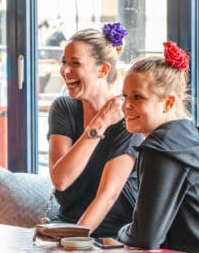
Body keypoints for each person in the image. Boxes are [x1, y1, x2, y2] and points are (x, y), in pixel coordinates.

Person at [116, 41, 199, 252]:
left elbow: (145, 237)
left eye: (137, 97)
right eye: (125, 96)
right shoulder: (193, 137)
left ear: (168, 103)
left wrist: (119, 234)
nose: (126, 105)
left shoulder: (162, 149)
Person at [48, 24, 144, 238]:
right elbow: (61, 179)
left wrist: (74, 242)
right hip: (66, 223)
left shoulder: (128, 117)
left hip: (114, 233)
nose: (65, 71)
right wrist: (99, 123)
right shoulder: (63, 108)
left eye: (75, 63)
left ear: (103, 69)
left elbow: (107, 196)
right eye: (64, 63)